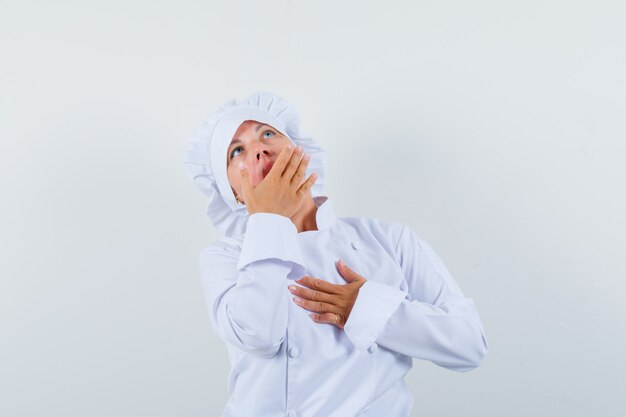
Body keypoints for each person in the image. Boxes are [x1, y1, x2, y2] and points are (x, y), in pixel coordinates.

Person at [184, 92, 488, 417]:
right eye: (237, 151)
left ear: (300, 149)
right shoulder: (225, 259)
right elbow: (259, 335)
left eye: (268, 133)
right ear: (232, 193)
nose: (259, 148)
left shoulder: (388, 240)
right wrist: (268, 220)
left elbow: (469, 344)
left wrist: (366, 307)